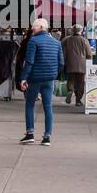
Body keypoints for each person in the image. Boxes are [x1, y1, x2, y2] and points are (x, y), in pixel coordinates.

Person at [19, 17, 63, 146]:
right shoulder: (56, 43)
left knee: (29, 105)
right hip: (49, 79)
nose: (33, 28)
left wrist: (23, 77)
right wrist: (54, 73)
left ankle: (30, 133)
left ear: (43, 27)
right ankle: (47, 137)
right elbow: (61, 63)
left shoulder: (33, 41)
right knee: (48, 107)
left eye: (35, 26)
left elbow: (29, 61)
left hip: (34, 79)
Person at [61, 24, 93, 107]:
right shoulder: (84, 40)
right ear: (81, 31)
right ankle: (78, 101)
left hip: (70, 64)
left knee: (71, 80)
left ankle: (70, 90)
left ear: (72, 31)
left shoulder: (66, 40)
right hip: (82, 66)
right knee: (80, 83)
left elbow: (62, 52)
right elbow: (89, 54)